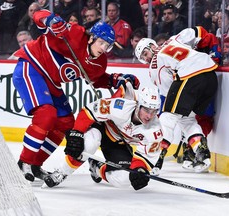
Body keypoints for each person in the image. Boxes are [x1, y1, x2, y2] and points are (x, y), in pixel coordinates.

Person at [12, 9, 140, 182]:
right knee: (46, 113)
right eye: (101, 42)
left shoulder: (99, 62)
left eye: (107, 45)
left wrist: (114, 79)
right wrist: (50, 20)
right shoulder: (73, 33)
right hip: (32, 67)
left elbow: (96, 78)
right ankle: (23, 162)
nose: (103, 48)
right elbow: (37, 16)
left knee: (66, 123)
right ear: (91, 37)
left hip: (52, 83)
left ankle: (35, 164)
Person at [43, 83, 163, 191]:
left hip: (118, 143)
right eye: (146, 110)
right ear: (138, 105)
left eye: (154, 111)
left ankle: (96, 167)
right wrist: (77, 133)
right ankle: (61, 173)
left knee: (124, 179)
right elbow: (88, 111)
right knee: (88, 144)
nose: (149, 115)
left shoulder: (155, 131)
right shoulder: (119, 107)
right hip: (101, 127)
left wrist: (140, 170)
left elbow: (147, 158)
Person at [135, 33, 218, 173]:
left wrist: (171, 109)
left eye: (145, 53)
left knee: (168, 117)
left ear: (152, 46)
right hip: (210, 75)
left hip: (190, 77)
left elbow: (169, 92)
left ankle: (156, 158)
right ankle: (202, 154)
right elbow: (197, 32)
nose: (146, 58)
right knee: (188, 121)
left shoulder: (154, 65)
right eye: (143, 58)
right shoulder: (174, 39)